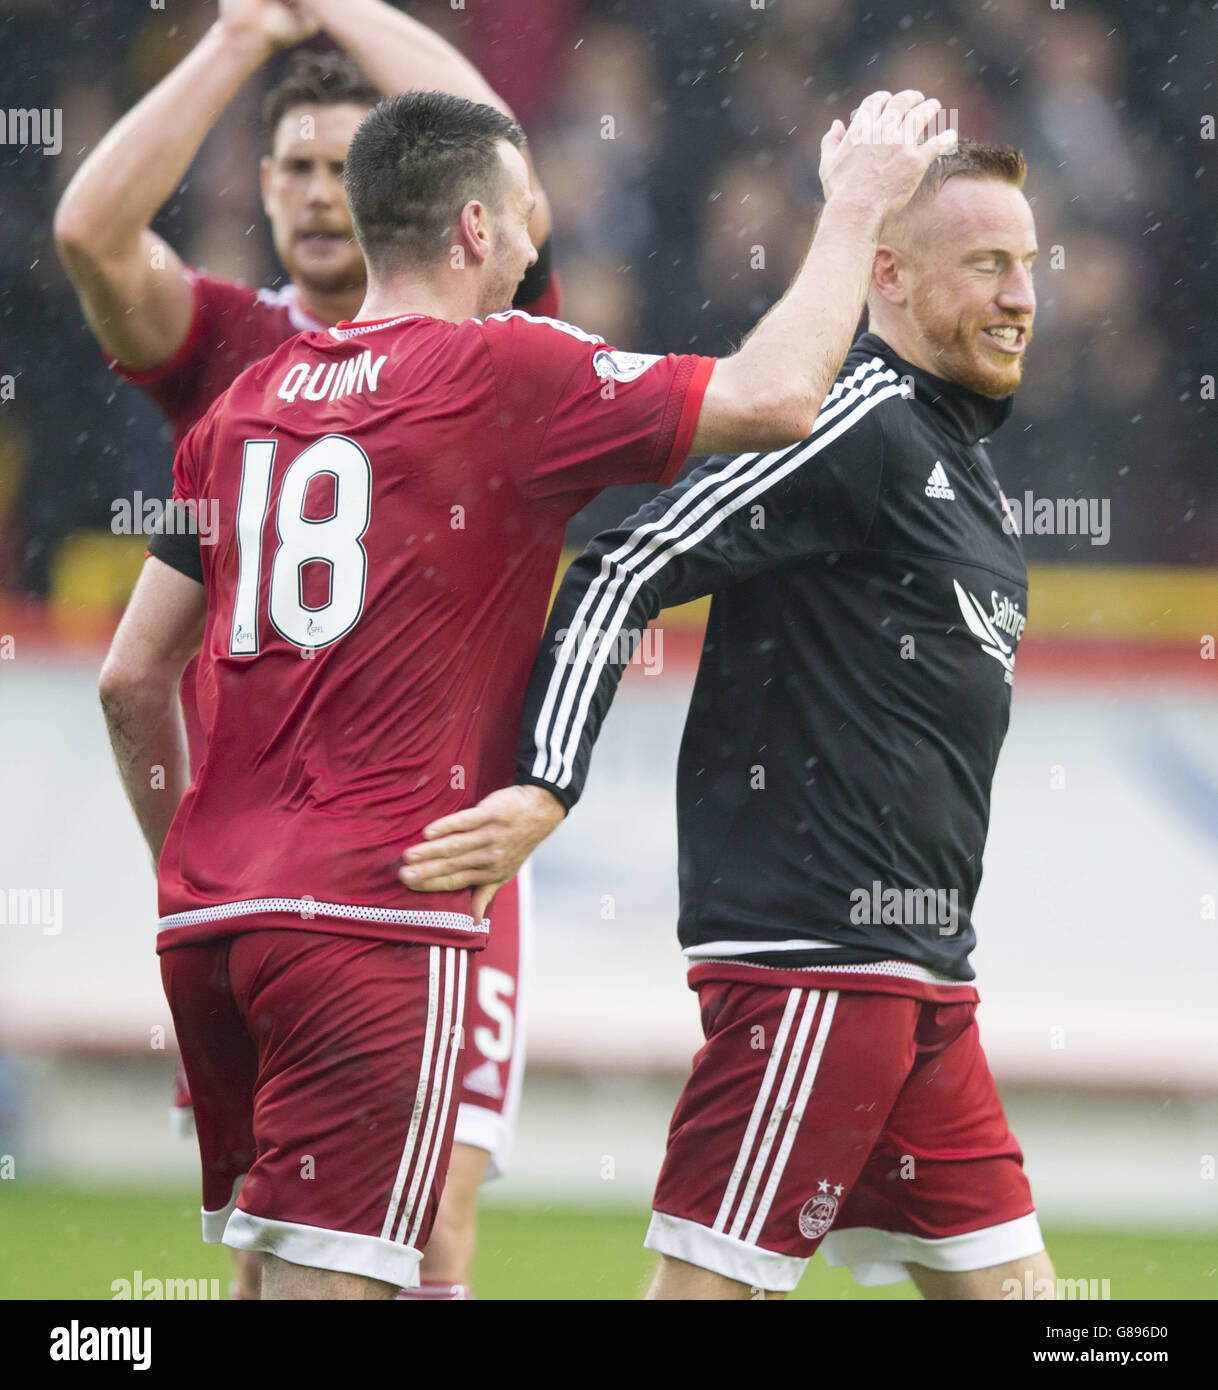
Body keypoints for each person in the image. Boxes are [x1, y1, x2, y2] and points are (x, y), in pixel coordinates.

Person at [97, 86, 955, 1299]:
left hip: (214, 926)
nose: (534, 246)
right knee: (340, 1283)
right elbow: (774, 398)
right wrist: (856, 200)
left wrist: (189, 865)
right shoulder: (505, 368)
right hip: (375, 916)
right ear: (469, 231)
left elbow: (133, 680)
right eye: (523, 220)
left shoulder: (243, 403)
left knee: (267, 1270)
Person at [402, 138, 1052, 1301]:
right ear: (888, 275)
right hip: (819, 971)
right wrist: (547, 777)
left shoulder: (960, 458)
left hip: (925, 988)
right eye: (987, 264)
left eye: (1030, 264)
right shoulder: (856, 423)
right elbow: (623, 562)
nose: (1021, 295)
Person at [53, 0, 558, 1300]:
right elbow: (90, 232)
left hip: (436, 859)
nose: (320, 193)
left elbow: (489, 145)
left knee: (419, 1223)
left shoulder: (484, 331)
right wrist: (236, 41)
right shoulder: (225, 346)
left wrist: (332, 8)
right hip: (267, 869)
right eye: (293, 166)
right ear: (258, 185)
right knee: (286, 1245)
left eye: (348, 165)